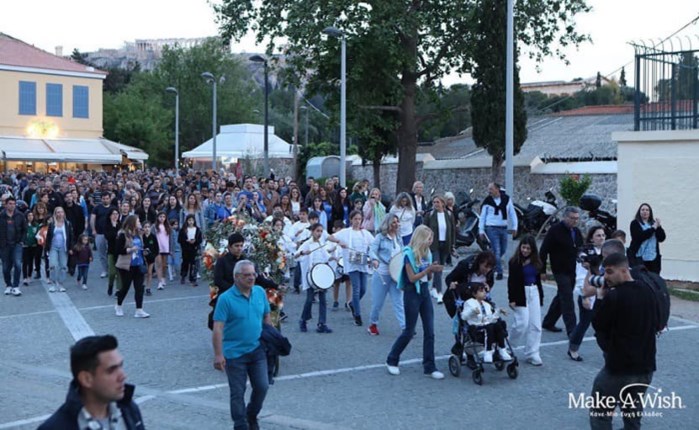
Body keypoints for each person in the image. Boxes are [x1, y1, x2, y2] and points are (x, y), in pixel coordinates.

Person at [589, 253, 658, 430]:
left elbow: (598, 323)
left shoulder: (614, 297)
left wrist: (600, 298)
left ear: (624, 270)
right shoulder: (648, 290)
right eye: (605, 273)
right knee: (633, 416)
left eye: (610, 272)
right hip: (645, 368)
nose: (606, 277)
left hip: (618, 370)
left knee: (600, 415)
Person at [38, 335, 145, 430]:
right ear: (86, 379)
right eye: (111, 370)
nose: (123, 376)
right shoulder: (56, 427)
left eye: (121, 366)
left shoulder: (129, 409)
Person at [213, 260, 271, 430]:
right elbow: (217, 328)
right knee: (237, 392)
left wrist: (271, 338)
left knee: (262, 386)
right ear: (236, 277)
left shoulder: (260, 292)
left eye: (253, 274)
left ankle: (251, 415)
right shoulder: (225, 299)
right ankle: (240, 425)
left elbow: (267, 315)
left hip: (257, 349)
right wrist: (218, 354)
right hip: (234, 353)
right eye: (247, 275)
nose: (252, 278)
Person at [385, 225, 444, 379]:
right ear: (421, 239)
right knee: (409, 331)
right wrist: (428, 270)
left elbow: (427, 278)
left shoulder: (428, 253)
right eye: (429, 238)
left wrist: (433, 271)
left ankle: (429, 366)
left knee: (430, 331)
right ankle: (392, 359)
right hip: (412, 292)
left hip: (424, 291)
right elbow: (411, 278)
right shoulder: (408, 254)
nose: (431, 242)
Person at [541, 206, 583, 336]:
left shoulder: (576, 232)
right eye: (572, 218)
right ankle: (572, 330)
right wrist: (542, 270)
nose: (575, 221)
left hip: (572, 269)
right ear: (565, 217)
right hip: (559, 270)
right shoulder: (555, 231)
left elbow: (580, 248)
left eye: (577, 219)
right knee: (568, 298)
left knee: (562, 296)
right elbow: (543, 251)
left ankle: (548, 322)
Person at [329, 210, 375, 326]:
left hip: (363, 262)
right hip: (352, 263)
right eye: (355, 219)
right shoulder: (346, 232)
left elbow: (374, 244)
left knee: (364, 289)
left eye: (359, 219)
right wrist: (339, 242)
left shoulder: (365, 233)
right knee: (356, 288)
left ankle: (353, 304)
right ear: (351, 220)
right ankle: (357, 315)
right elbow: (330, 237)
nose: (358, 221)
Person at [568, 226, 605, 362]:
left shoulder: (607, 252)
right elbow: (580, 276)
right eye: (598, 235)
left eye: (603, 235)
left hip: (602, 293)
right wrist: (584, 296)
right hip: (588, 292)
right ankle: (573, 348)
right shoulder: (584, 254)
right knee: (584, 323)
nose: (601, 238)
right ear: (591, 238)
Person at [507, 235, 544, 366]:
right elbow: (511, 281)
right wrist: (512, 299)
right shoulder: (514, 262)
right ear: (520, 247)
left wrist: (541, 297)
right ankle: (509, 346)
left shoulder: (536, 262)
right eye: (523, 247)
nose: (525, 251)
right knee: (521, 323)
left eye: (528, 248)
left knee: (535, 324)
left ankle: (532, 352)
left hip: (533, 291)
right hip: (520, 293)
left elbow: (538, 280)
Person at [368, 213, 405, 335]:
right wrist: (374, 260)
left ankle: (405, 327)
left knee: (398, 301)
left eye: (397, 222)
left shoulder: (399, 237)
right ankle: (373, 324)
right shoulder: (380, 237)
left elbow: (403, 252)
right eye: (393, 222)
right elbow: (372, 250)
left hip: (395, 274)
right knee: (378, 302)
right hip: (382, 274)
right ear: (388, 224)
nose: (396, 225)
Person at [295, 223, 334, 333]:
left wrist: (333, 257)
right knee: (309, 299)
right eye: (317, 231)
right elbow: (296, 255)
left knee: (323, 299)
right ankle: (303, 320)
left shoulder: (322, 243)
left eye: (321, 231)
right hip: (310, 275)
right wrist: (303, 252)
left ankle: (322, 324)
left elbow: (326, 256)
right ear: (312, 231)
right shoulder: (307, 244)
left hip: (320, 275)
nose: (319, 233)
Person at [461, 283, 511, 363]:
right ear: (474, 294)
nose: (484, 292)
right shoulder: (469, 303)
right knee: (490, 327)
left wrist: (498, 311)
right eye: (481, 291)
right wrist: (472, 311)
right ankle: (488, 351)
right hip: (476, 328)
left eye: (485, 290)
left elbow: (490, 319)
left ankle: (502, 349)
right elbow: (463, 317)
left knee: (499, 324)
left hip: (487, 326)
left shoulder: (487, 305)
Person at [478, 183, 518, 280]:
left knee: (503, 249)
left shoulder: (506, 200)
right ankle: (499, 271)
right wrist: (481, 230)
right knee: (497, 250)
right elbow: (482, 216)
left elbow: (512, 213)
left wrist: (515, 226)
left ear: (497, 189)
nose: (489, 191)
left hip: (503, 227)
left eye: (491, 189)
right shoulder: (487, 201)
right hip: (491, 227)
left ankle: (488, 262)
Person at [114, 215, 150, 318]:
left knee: (139, 288)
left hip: (138, 264)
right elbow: (118, 250)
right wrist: (130, 249)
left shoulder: (139, 234)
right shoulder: (123, 235)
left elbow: (140, 247)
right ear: (132, 222)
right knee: (125, 287)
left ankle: (139, 310)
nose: (139, 222)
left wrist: (144, 252)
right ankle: (119, 305)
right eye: (138, 221)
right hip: (126, 265)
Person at [423, 195, 455, 303]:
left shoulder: (449, 214)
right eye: (434, 202)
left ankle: (433, 288)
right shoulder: (430, 215)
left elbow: (453, 231)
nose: (435, 204)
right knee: (437, 266)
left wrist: (453, 245)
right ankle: (440, 293)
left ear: (443, 203)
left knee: (440, 266)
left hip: (445, 244)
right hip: (433, 245)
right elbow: (424, 229)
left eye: (437, 202)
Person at [0, 196, 27, 296]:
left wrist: (22, 241)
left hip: (17, 244)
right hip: (4, 245)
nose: (12, 206)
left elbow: (25, 229)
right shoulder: (1, 216)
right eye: (10, 204)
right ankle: (8, 285)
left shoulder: (20, 215)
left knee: (18, 264)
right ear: (6, 204)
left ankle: (16, 286)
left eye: (13, 204)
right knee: (6, 267)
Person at [628, 203, 666, 274]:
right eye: (642, 210)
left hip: (653, 257)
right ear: (639, 212)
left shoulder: (653, 223)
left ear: (650, 212)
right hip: (639, 257)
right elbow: (639, 237)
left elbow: (662, 238)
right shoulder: (635, 223)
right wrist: (653, 228)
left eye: (647, 210)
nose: (645, 212)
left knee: (654, 279)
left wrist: (659, 227)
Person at [45, 206, 74, 293]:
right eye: (58, 212)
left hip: (63, 247)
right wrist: (47, 248)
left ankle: (61, 283)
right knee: (53, 265)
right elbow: (48, 237)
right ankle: (53, 284)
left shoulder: (67, 224)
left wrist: (70, 248)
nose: (60, 214)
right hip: (53, 246)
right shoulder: (52, 224)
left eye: (61, 212)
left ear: (64, 213)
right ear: (55, 213)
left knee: (63, 266)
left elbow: (71, 236)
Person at [91, 193, 115, 279]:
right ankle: (105, 270)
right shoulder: (97, 208)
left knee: (111, 253)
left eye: (107, 198)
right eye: (104, 198)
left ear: (109, 199)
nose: (105, 200)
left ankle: (112, 269)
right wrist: (93, 230)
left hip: (111, 234)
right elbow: (93, 218)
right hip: (100, 233)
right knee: (101, 253)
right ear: (101, 199)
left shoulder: (113, 208)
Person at [178, 214, 203, 287]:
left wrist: (195, 241)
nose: (191, 222)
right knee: (185, 262)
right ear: (186, 221)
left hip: (194, 248)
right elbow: (180, 240)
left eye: (192, 220)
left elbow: (200, 239)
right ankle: (183, 275)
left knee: (194, 264)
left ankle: (193, 278)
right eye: (189, 220)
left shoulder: (197, 229)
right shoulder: (183, 229)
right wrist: (186, 241)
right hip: (186, 248)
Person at [104, 208, 121, 297]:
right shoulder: (107, 225)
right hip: (111, 251)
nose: (115, 216)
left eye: (117, 214)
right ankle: (110, 285)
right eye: (113, 214)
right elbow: (109, 237)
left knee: (119, 272)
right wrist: (114, 227)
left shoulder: (121, 225)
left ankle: (118, 289)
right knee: (112, 272)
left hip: (120, 251)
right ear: (110, 215)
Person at [21, 210, 40, 287]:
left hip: (33, 245)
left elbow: (38, 234)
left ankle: (29, 276)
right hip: (25, 245)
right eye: (29, 215)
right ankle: (25, 277)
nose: (30, 217)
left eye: (32, 215)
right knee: (25, 262)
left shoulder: (36, 225)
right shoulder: (24, 225)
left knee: (31, 261)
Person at [154, 212, 171, 290]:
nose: (162, 218)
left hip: (166, 248)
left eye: (164, 217)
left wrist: (171, 249)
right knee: (159, 264)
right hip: (157, 248)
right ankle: (159, 281)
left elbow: (170, 239)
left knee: (164, 265)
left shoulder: (167, 227)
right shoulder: (154, 226)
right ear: (157, 217)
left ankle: (163, 277)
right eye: (160, 216)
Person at [141, 221, 159, 296]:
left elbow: (156, 249)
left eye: (148, 227)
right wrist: (143, 252)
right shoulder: (141, 237)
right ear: (143, 228)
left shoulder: (153, 237)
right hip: (142, 259)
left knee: (149, 273)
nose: (147, 229)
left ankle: (148, 288)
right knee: (141, 273)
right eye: (145, 227)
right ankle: (141, 285)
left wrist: (153, 255)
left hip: (151, 258)